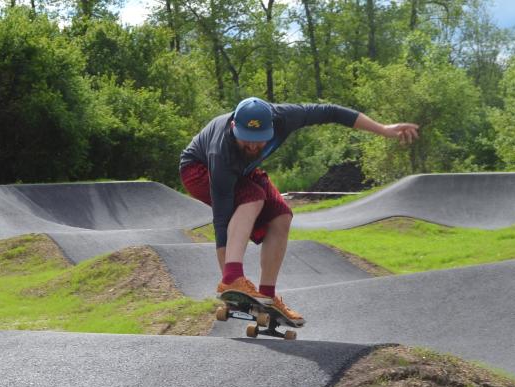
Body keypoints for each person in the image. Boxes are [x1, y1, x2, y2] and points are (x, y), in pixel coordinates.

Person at [179, 97, 419, 326]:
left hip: (243, 172)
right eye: (246, 140)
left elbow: (332, 112)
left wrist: (384, 129)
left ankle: (267, 296)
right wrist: (230, 285)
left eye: (259, 140)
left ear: (272, 126)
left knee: (281, 215)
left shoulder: (286, 116)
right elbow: (221, 221)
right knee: (253, 197)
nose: (253, 146)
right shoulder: (219, 152)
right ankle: (233, 278)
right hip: (198, 171)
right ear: (233, 127)